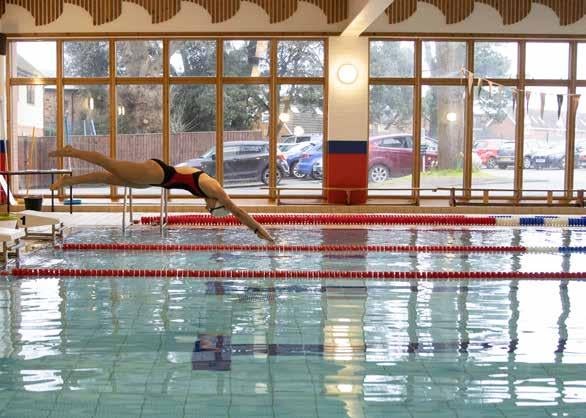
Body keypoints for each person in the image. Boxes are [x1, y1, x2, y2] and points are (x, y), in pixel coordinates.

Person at [49, 145, 275, 243]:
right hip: (157, 173)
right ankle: (72, 151)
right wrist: (261, 232)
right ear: (217, 203)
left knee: (108, 178)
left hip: (156, 180)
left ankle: (68, 181)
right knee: (110, 165)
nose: (206, 209)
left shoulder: (210, 192)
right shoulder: (215, 190)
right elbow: (238, 211)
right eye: (210, 209)